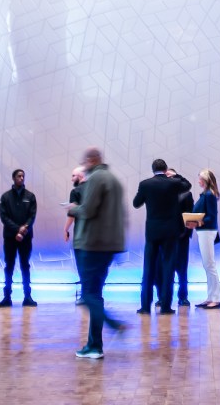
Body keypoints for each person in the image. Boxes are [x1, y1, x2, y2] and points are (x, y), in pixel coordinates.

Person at [68, 147, 127, 360]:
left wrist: (72, 208)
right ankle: (94, 345)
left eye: (85, 161)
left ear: (92, 160)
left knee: (87, 295)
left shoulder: (95, 179)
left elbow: (87, 210)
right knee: (96, 295)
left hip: (92, 245)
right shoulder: (115, 181)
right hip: (109, 246)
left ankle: (113, 324)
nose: (83, 165)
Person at [133, 158, 187, 314]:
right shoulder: (174, 183)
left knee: (148, 268)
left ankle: (144, 306)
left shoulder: (145, 184)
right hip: (170, 231)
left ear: (152, 169)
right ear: (165, 170)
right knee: (168, 267)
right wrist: (175, 176)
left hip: (152, 232)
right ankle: (165, 306)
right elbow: (187, 185)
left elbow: (136, 203)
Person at [0, 168, 38, 307]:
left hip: (26, 238)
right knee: (9, 266)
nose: (22, 178)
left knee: (25, 265)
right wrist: (17, 230)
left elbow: (32, 216)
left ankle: (27, 296)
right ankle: (7, 297)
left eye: (23, 176)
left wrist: (24, 228)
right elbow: (4, 217)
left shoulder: (30, 196)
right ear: (13, 178)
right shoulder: (5, 197)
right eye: (19, 176)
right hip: (10, 238)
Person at [191, 169, 220, 308]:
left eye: (199, 178)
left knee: (210, 265)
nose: (198, 181)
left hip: (207, 231)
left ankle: (216, 298)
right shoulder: (205, 195)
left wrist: (196, 221)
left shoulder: (209, 195)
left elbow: (211, 217)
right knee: (207, 265)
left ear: (205, 180)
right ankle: (210, 297)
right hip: (203, 231)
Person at [167, 168, 195, 307]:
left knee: (182, 269)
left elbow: (191, 215)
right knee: (166, 268)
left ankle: (183, 297)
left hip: (182, 237)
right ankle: (164, 297)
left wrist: (185, 233)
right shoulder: (162, 194)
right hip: (166, 237)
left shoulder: (186, 194)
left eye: (171, 176)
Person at [64, 167, 87, 305]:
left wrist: (65, 229)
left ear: (80, 176)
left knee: (82, 265)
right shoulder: (93, 190)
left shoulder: (75, 191)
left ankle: (85, 296)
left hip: (80, 234)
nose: (72, 179)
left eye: (73, 176)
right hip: (95, 234)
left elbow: (72, 213)